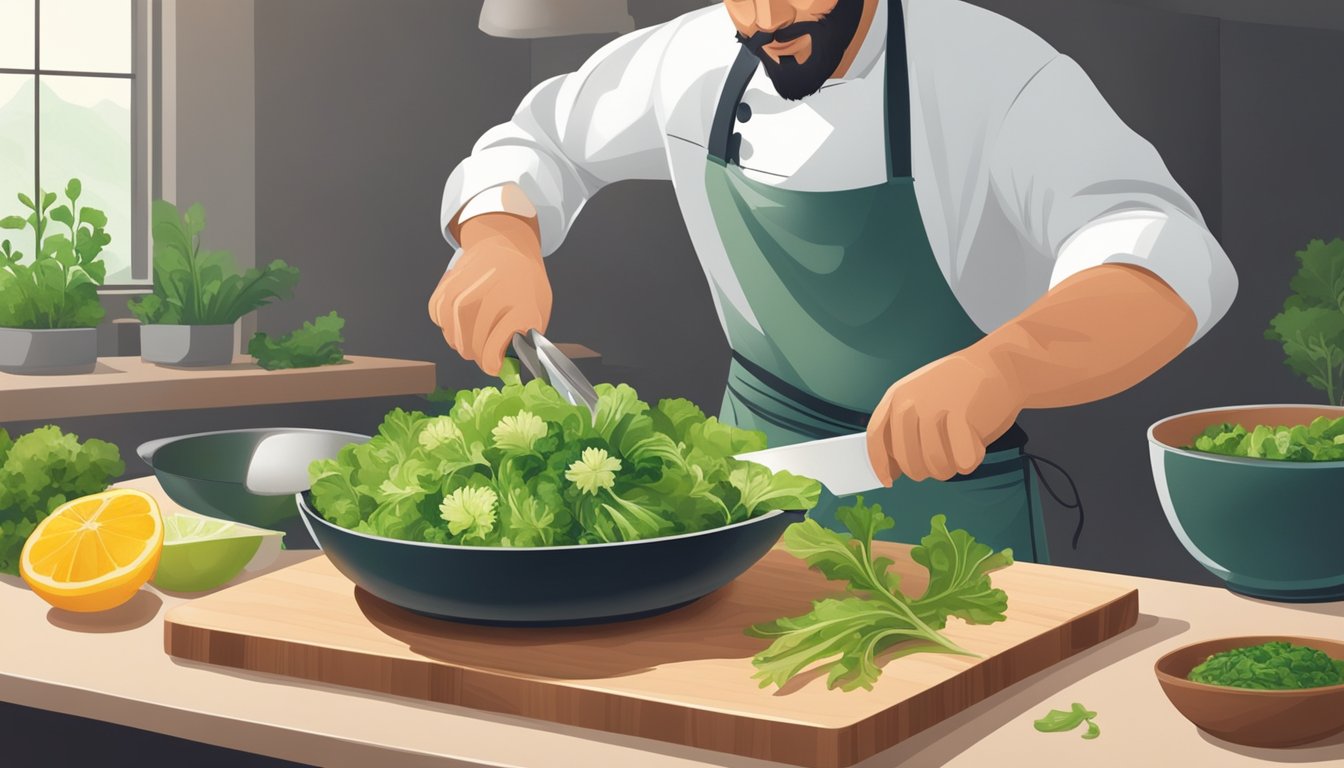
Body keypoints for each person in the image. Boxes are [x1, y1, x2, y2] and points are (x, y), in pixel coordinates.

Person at [429, 0, 1237, 562]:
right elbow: (538, 140)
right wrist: (500, 239)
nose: (767, 21)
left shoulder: (995, 77)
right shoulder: (697, 56)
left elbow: (1163, 253)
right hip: (740, 500)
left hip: (947, 509)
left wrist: (1007, 366)